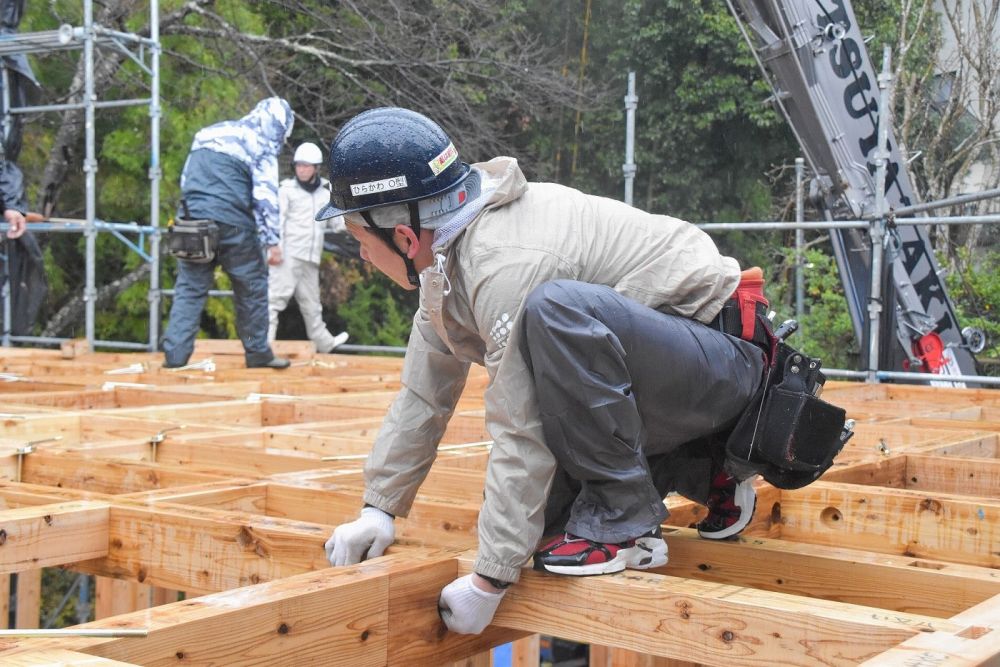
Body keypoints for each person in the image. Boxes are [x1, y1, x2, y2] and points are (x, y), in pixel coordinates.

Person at [320, 107, 766, 635]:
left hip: (728, 366)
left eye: (360, 241)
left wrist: (489, 580)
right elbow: (423, 397)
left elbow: (520, 427)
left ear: (405, 237)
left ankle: (627, 525)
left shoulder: (505, 263)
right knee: (546, 532)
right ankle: (707, 470)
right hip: (686, 378)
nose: (364, 258)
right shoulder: (448, 259)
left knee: (557, 313)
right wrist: (380, 509)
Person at [163, 97, 294, 370]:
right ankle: (257, 351)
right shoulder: (261, 144)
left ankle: (175, 356)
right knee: (251, 289)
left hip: (193, 221)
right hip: (233, 224)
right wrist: (272, 241)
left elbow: (186, 180)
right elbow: (266, 198)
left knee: (189, 289)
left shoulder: (208, 133)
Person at [267, 141, 349, 353]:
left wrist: (352, 221)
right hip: (288, 255)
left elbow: (337, 224)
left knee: (312, 306)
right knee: (274, 300)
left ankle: (325, 344)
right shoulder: (286, 190)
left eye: (306, 165)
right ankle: (263, 346)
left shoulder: (325, 191)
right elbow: (277, 221)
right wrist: (274, 248)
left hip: (311, 256)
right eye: (299, 165)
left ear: (316, 167)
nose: (302, 169)